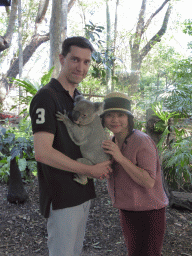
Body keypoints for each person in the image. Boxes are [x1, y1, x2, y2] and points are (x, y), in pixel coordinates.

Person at [29, 36, 112, 256]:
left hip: (83, 190)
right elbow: (43, 152)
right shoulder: (47, 98)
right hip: (62, 194)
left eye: (86, 62)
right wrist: (89, 170)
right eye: (75, 59)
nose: (81, 67)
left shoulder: (77, 98)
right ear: (62, 58)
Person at [101, 92, 169, 256]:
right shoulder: (111, 142)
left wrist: (120, 158)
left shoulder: (141, 140)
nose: (115, 120)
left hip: (149, 213)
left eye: (120, 115)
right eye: (109, 115)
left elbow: (148, 181)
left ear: (129, 118)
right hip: (127, 210)